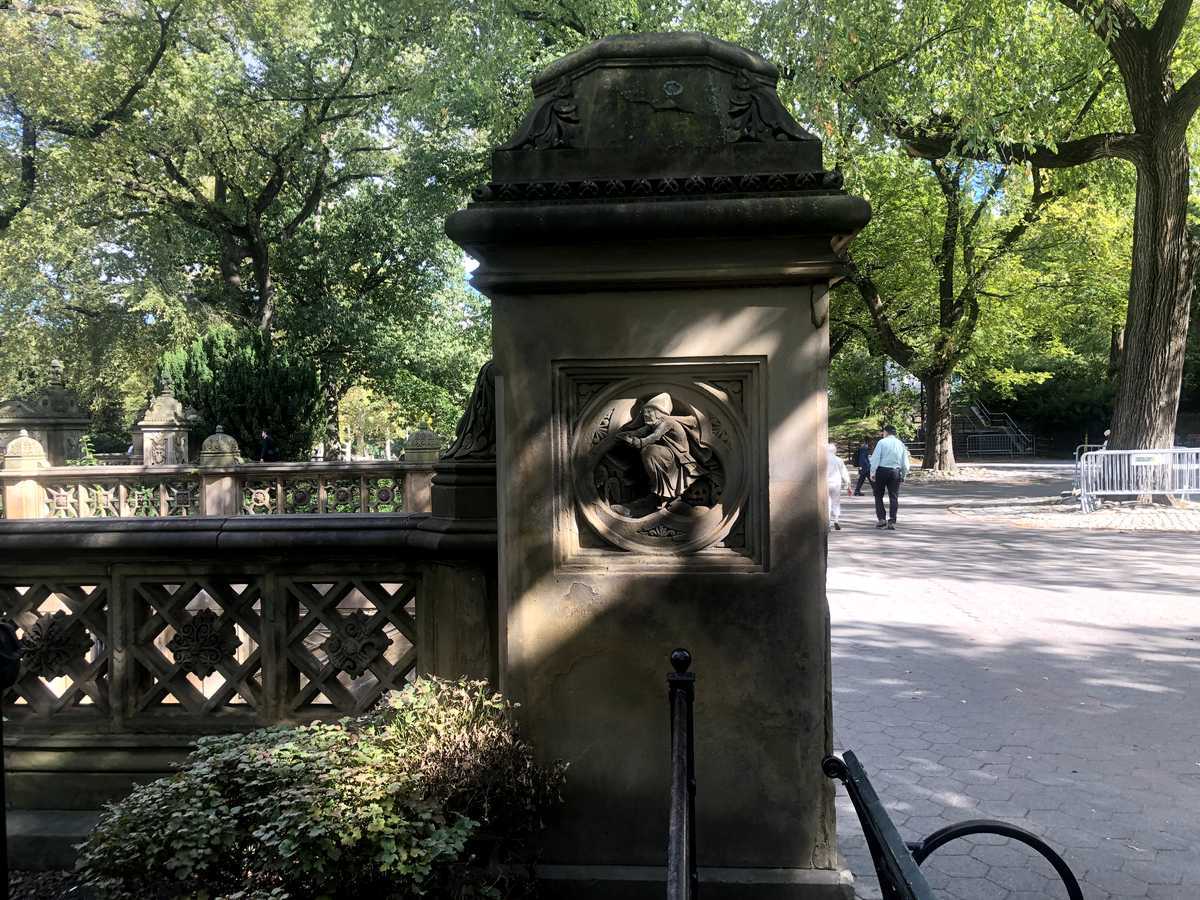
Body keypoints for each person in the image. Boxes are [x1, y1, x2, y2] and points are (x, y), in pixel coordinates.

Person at [617, 392, 710, 509]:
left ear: (659, 413)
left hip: (678, 459)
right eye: (644, 411)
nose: (645, 414)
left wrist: (639, 442)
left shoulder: (667, 422)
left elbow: (655, 436)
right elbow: (638, 432)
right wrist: (622, 435)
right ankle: (658, 492)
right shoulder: (652, 424)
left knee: (650, 451)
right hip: (668, 456)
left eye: (649, 411)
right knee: (647, 453)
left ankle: (661, 493)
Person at [869, 424, 909, 530]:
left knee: (878, 495)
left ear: (886, 432)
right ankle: (892, 520)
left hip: (882, 470)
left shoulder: (882, 442)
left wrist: (872, 472)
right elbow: (905, 462)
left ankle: (881, 519)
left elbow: (875, 458)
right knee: (894, 496)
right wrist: (904, 474)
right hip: (895, 471)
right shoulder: (900, 444)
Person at [826, 442, 851, 531]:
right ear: (835, 451)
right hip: (836, 483)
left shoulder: (822, 459)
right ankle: (836, 519)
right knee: (836, 502)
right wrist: (848, 484)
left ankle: (828, 523)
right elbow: (844, 473)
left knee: (827, 503)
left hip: (825, 483)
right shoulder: (839, 460)